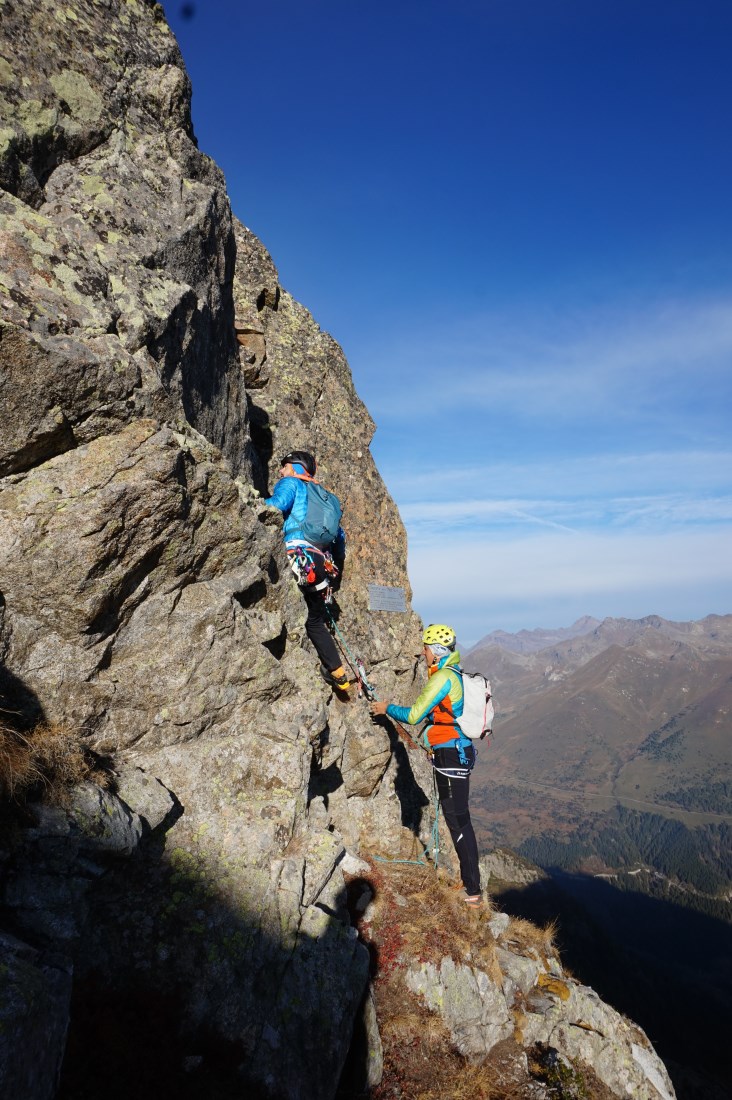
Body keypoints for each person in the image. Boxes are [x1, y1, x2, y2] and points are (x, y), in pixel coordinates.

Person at [369, 624, 482, 906]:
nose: (424, 652)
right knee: (461, 820)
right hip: (457, 752)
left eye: (427, 647)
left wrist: (387, 709)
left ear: (437, 651)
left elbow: (415, 714)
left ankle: (472, 890)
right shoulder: (453, 673)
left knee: (457, 821)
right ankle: (472, 886)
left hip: (451, 755)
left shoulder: (442, 677)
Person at [265, 450, 350, 690]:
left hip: (296, 552)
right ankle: (338, 672)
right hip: (322, 562)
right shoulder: (328, 497)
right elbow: (340, 538)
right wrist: (337, 570)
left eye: (284, 466)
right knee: (314, 619)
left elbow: (276, 505)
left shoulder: (291, 483)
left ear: (295, 467)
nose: (281, 471)